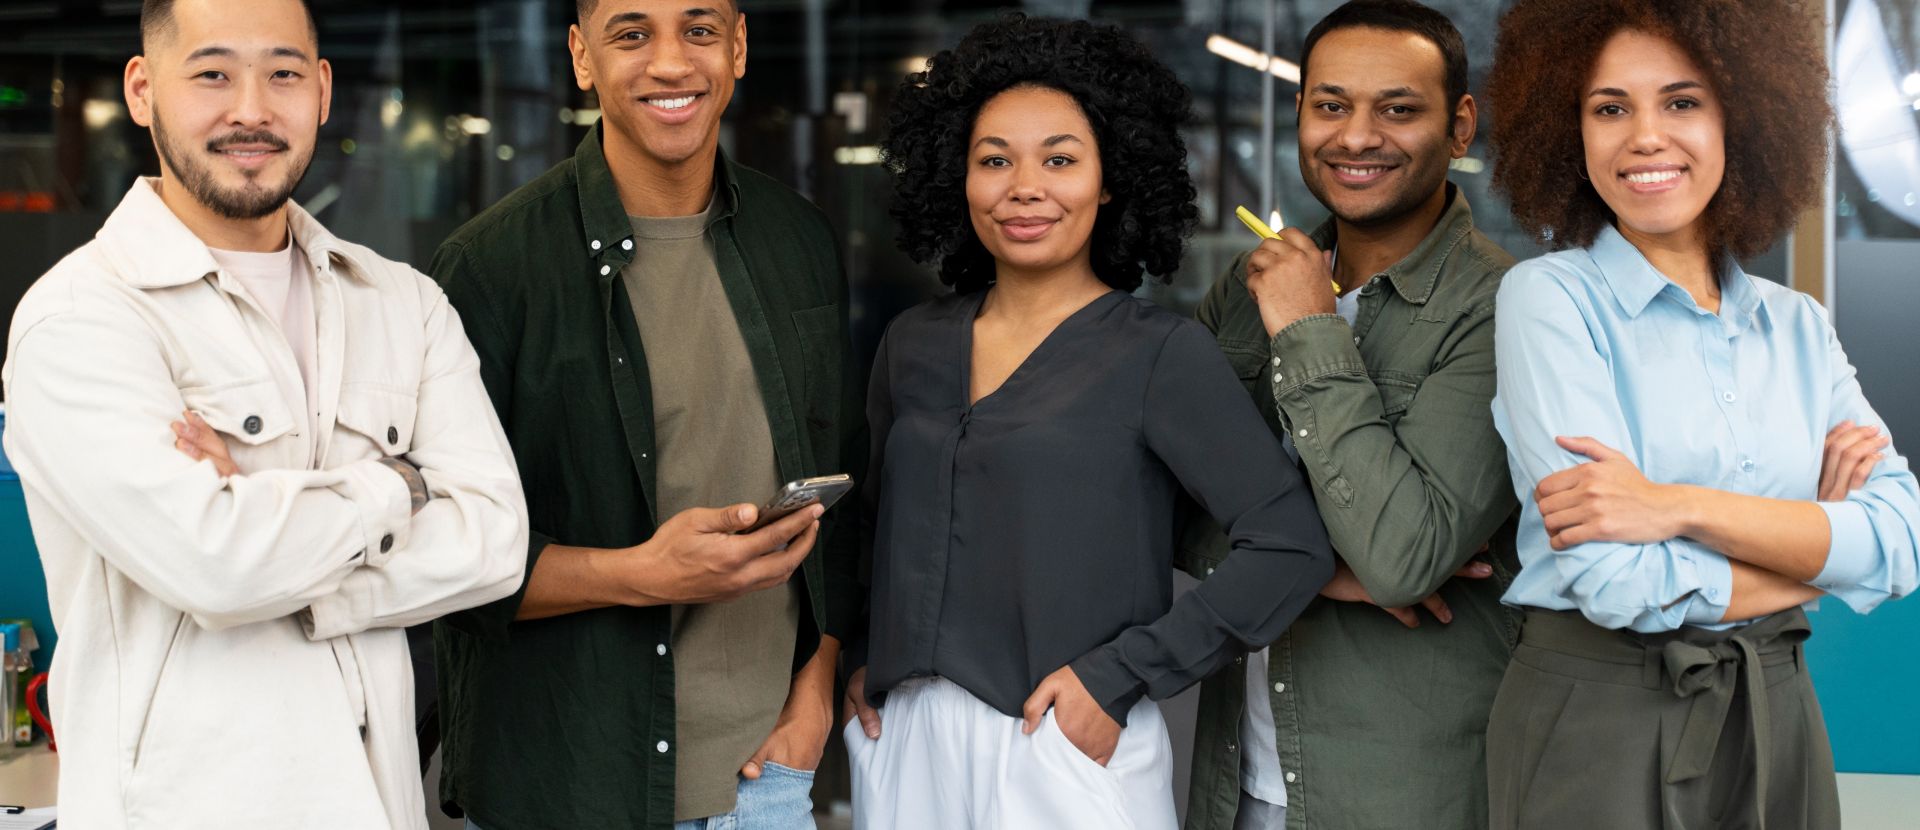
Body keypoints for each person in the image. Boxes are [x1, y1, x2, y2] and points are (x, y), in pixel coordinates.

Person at [0, 0, 530, 826]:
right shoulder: (80, 318)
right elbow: (216, 564)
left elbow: (496, 539)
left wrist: (270, 526)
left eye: (282, 73)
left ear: (321, 89)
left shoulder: (403, 302)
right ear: (142, 91)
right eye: (212, 73)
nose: (251, 108)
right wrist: (399, 484)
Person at [839, 16, 1335, 829]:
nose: (1023, 186)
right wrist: (865, 655)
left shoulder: (1159, 354)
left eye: (1060, 159)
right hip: (907, 739)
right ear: (957, 178)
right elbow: (872, 527)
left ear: (1109, 181)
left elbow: (1289, 542)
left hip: (1058, 743)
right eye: (993, 159)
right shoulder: (913, 344)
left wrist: (1123, 676)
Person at [427, 0, 862, 827]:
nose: (670, 63)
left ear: (737, 46)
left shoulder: (798, 240)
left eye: (699, 31)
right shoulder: (489, 269)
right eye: (632, 34)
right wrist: (644, 576)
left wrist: (815, 694)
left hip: (764, 783)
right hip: (569, 785)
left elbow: (849, 483)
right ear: (582, 57)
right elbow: (440, 558)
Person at [1485, 0, 1920, 826]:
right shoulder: (1548, 301)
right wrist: (1817, 559)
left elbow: (1901, 538)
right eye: (1610, 108)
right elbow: (1618, 584)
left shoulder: (1797, 325)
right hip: (1601, 721)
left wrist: (1672, 505)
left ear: (1743, 120)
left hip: (1779, 711)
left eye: (1682, 102)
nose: (1645, 135)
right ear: (1569, 130)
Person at [1182, 2, 1520, 828]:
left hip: (1403, 796)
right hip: (1234, 785)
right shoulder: (1247, 287)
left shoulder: (1506, 308)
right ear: (1299, 112)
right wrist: (1318, 572)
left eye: (1398, 109)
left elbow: (1404, 560)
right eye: (1331, 105)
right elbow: (1150, 503)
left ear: (1460, 125)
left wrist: (1307, 329)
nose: (1357, 137)